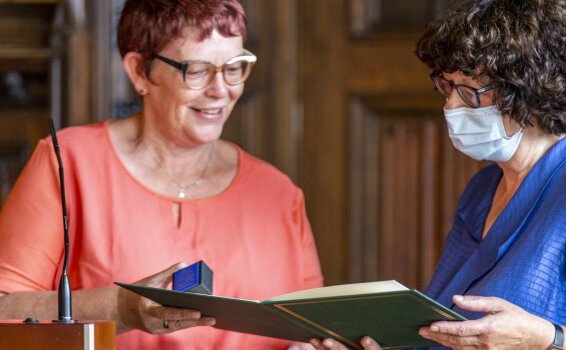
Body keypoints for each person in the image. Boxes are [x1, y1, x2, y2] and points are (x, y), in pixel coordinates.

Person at [312, 0, 566, 349]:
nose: (450, 106)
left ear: (530, 90)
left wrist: (543, 340)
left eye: (469, 92)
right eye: (446, 86)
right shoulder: (484, 188)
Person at [0, 0, 323, 348]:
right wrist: (121, 309)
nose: (221, 90)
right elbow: (4, 311)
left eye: (234, 67)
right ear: (140, 70)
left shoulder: (279, 194)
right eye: (197, 70)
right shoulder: (67, 163)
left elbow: (314, 328)